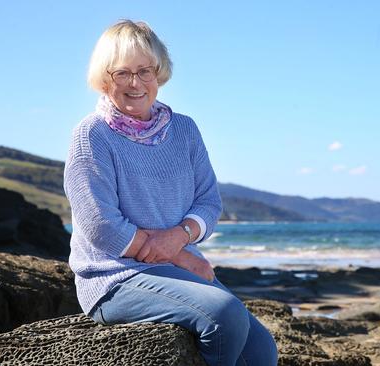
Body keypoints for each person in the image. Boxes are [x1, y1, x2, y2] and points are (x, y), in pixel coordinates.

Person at [63, 20, 278, 366]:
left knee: (262, 348)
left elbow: (208, 202)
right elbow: (100, 224)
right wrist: (178, 254)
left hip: (178, 270)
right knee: (223, 314)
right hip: (114, 277)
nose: (136, 83)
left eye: (145, 71)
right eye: (122, 73)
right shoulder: (91, 135)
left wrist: (181, 236)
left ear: (159, 73)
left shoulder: (185, 130)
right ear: (104, 79)